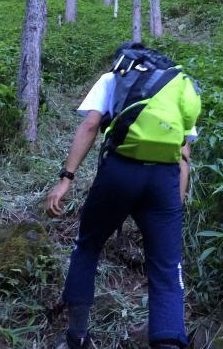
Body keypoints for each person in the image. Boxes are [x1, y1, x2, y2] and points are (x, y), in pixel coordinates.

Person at [47, 42, 201, 349]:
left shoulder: (114, 77)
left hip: (119, 172)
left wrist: (66, 179)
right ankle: (169, 343)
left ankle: (77, 337)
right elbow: (184, 153)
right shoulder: (177, 85)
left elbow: (91, 125)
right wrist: (176, 202)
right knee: (167, 267)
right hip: (163, 180)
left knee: (87, 246)